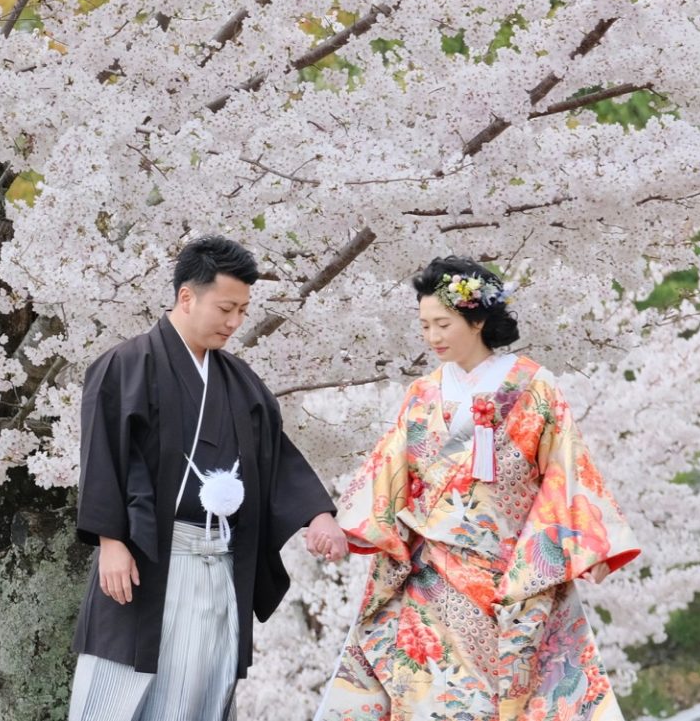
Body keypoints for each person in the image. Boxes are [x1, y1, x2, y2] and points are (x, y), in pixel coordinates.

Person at [313, 256, 642, 721]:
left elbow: (566, 469)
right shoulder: (423, 393)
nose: (433, 337)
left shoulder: (533, 386)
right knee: (427, 696)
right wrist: (342, 527)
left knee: (511, 699)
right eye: (425, 325)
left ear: (478, 319)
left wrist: (589, 546)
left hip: (512, 573)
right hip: (430, 570)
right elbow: (388, 471)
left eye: (443, 323)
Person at [70, 234, 348, 721]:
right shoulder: (127, 364)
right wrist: (110, 541)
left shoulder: (239, 381)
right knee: (116, 693)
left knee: (199, 693)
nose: (235, 322)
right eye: (225, 308)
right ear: (186, 296)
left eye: (242, 310)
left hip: (218, 562)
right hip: (146, 558)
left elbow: (275, 457)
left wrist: (318, 513)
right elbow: (103, 454)